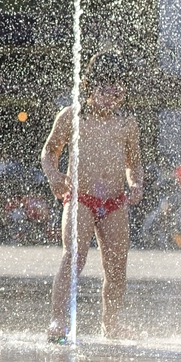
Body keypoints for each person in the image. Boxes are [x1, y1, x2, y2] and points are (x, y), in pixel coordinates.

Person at [40, 52, 142, 342]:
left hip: (114, 202)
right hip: (80, 199)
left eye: (118, 90)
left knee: (117, 266)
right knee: (73, 257)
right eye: (104, 89)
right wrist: (55, 176)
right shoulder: (72, 116)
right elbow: (49, 152)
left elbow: (133, 161)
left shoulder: (127, 123)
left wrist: (136, 183)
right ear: (86, 85)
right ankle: (58, 321)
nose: (111, 96)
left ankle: (110, 323)